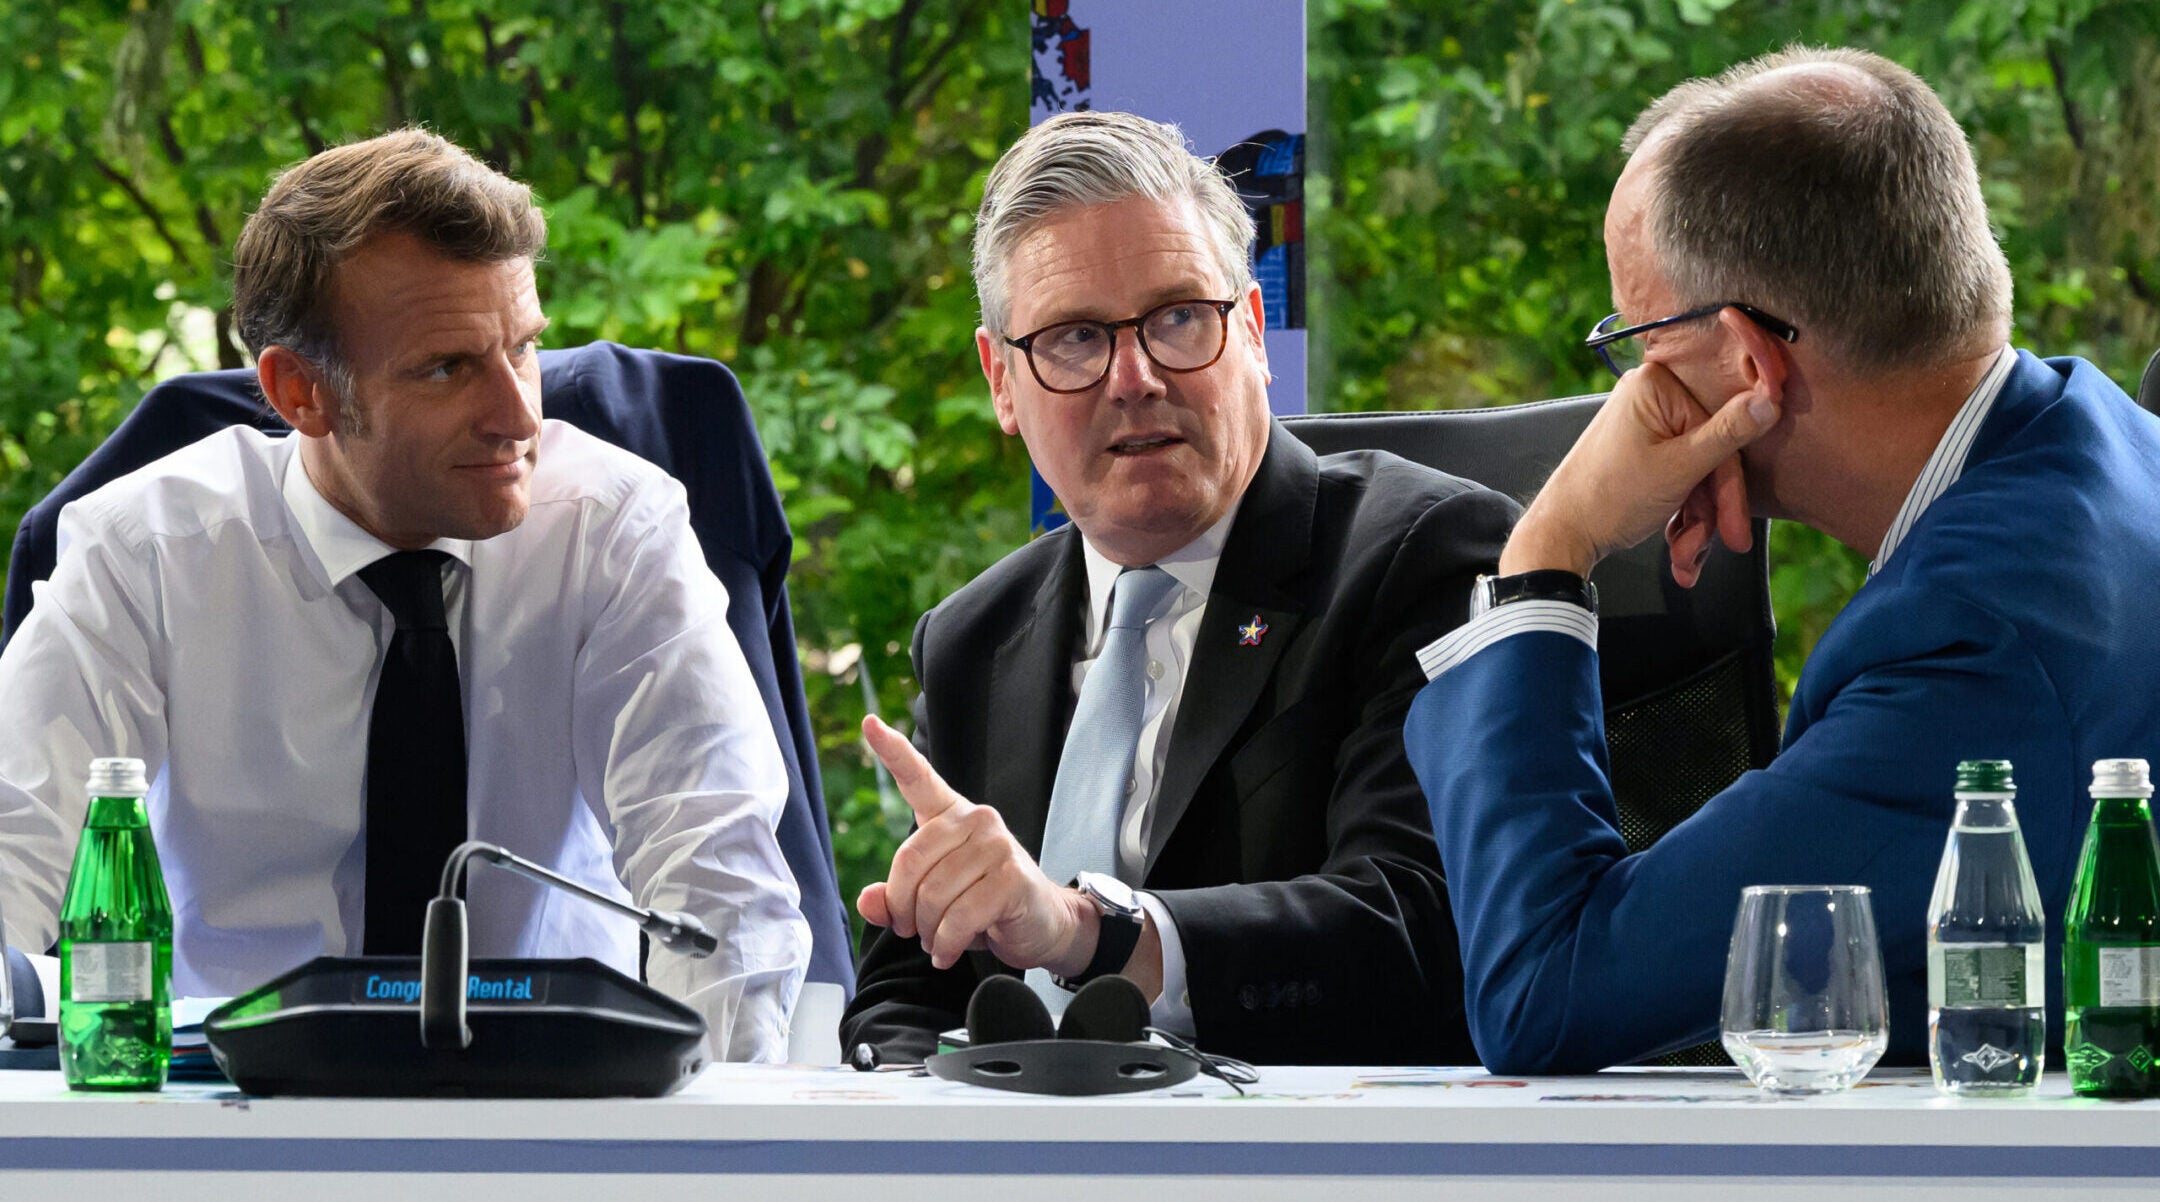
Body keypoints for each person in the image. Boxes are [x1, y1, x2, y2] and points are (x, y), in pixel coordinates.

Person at [1404, 46, 2160, 1073]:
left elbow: (1547, 987)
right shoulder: (2105, 438)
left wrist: (1551, 547)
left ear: (1751, 361)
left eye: (1637, 337)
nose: (1634, 386)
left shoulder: (1972, 643)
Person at [0, 129, 809, 1061]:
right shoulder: (145, 553)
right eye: (448, 368)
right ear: (302, 394)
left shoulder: (616, 531)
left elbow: (720, 890)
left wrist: (700, 1151)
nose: (519, 418)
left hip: (558, 1103)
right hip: (237, 1110)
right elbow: (16, 855)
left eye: (525, 349)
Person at [839, 111, 1515, 1064]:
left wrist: (1093, 933)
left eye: (1179, 319)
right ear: (1001, 381)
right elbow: (902, 1000)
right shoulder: (973, 639)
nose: (1136, 377)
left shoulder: (1420, 556)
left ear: (1253, 332)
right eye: (1074, 338)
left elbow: (1418, 920)